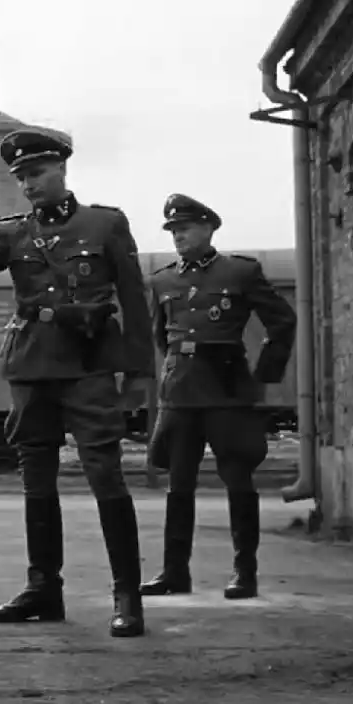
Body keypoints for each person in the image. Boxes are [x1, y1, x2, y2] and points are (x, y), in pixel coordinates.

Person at [0, 127, 155, 638]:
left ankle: (127, 595)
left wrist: (138, 373)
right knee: (36, 479)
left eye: (37, 173)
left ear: (61, 169)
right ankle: (43, 588)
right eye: (21, 176)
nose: (29, 184)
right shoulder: (12, 232)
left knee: (105, 475)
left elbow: (135, 302)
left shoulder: (105, 224)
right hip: (31, 366)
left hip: (89, 366)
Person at [140, 193, 297, 600]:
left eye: (185, 228)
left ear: (209, 229)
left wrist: (264, 375)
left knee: (238, 480)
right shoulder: (162, 281)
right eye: (173, 231)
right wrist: (175, 369)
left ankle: (245, 572)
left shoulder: (240, 272)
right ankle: (174, 572)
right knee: (178, 484)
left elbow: (282, 320)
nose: (178, 236)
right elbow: (161, 337)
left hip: (227, 390)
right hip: (181, 391)